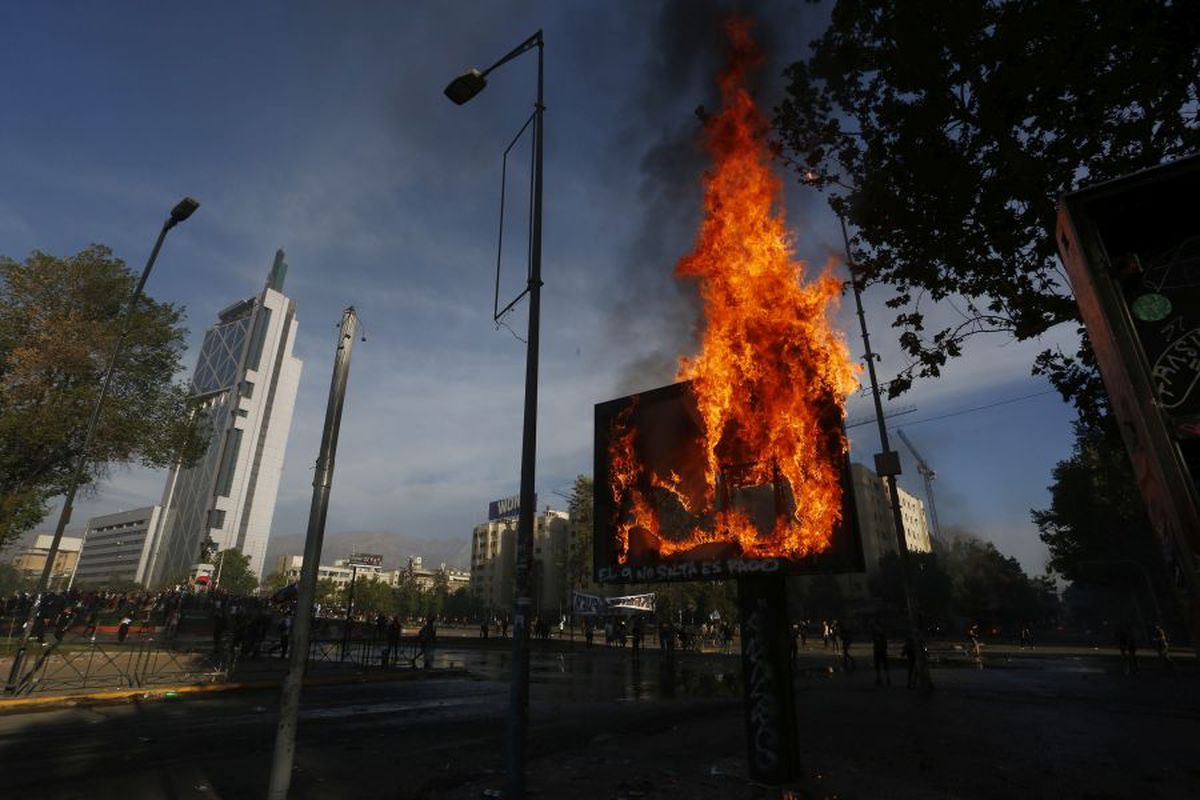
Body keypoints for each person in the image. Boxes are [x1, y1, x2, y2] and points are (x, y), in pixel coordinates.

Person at [872, 618, 890, 686]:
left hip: (879, 650)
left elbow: (879, 642)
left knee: (880, 665)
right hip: (881, 650)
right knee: (881, 665)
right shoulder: (881, 634)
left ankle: (882, 678)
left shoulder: (878, 634)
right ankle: (884, 678)